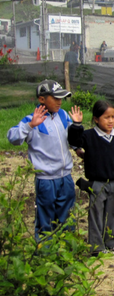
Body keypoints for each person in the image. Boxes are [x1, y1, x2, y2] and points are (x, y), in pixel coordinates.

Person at [7, 80, 75, 239]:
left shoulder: (63, 116)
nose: (59, 102)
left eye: (61, 98)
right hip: (46, 179)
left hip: (65, 176)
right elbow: (13, 138)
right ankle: (45, 251)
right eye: (55, 98)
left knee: (67, 215)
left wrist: (78, 145)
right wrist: (29, 125)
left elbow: (72, 139)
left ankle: (66, 251)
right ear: (42, 99)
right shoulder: (31, 121)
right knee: (46, 217)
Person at [68, 100, 114, 255]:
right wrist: (76, 125)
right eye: (106, 117)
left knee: (111, 215)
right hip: (97, 183)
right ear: (96, 119)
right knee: (96, 216)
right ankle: (96, 247)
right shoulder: (89, 136)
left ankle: (111, 243)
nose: (110, 121)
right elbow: (74, 141)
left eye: (113, 117)